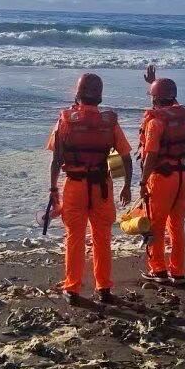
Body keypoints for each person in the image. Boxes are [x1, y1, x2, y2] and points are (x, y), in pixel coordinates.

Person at [47, 73, 133, 304]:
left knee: (74, 236)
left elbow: (56, 160)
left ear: (77, 93)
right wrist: (126, 185)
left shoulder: (65, 120)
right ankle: (103, 288)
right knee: (102, 236)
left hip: (74, 185)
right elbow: (125, 156)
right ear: (100, 96)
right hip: (102, 187)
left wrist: (53, 190)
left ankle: (72, 288)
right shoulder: (109, 123)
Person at [138, 64, 185, 284]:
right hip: (182, 176)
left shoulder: (155, 122)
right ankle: (178, 272)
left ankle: (158, 270)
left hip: (161, 178)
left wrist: (143, 181)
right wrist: (154, 83)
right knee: (177, 225)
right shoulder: (183, 118)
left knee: (156, 224)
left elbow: (151, 155)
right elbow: (168, 104)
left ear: (155, 99)